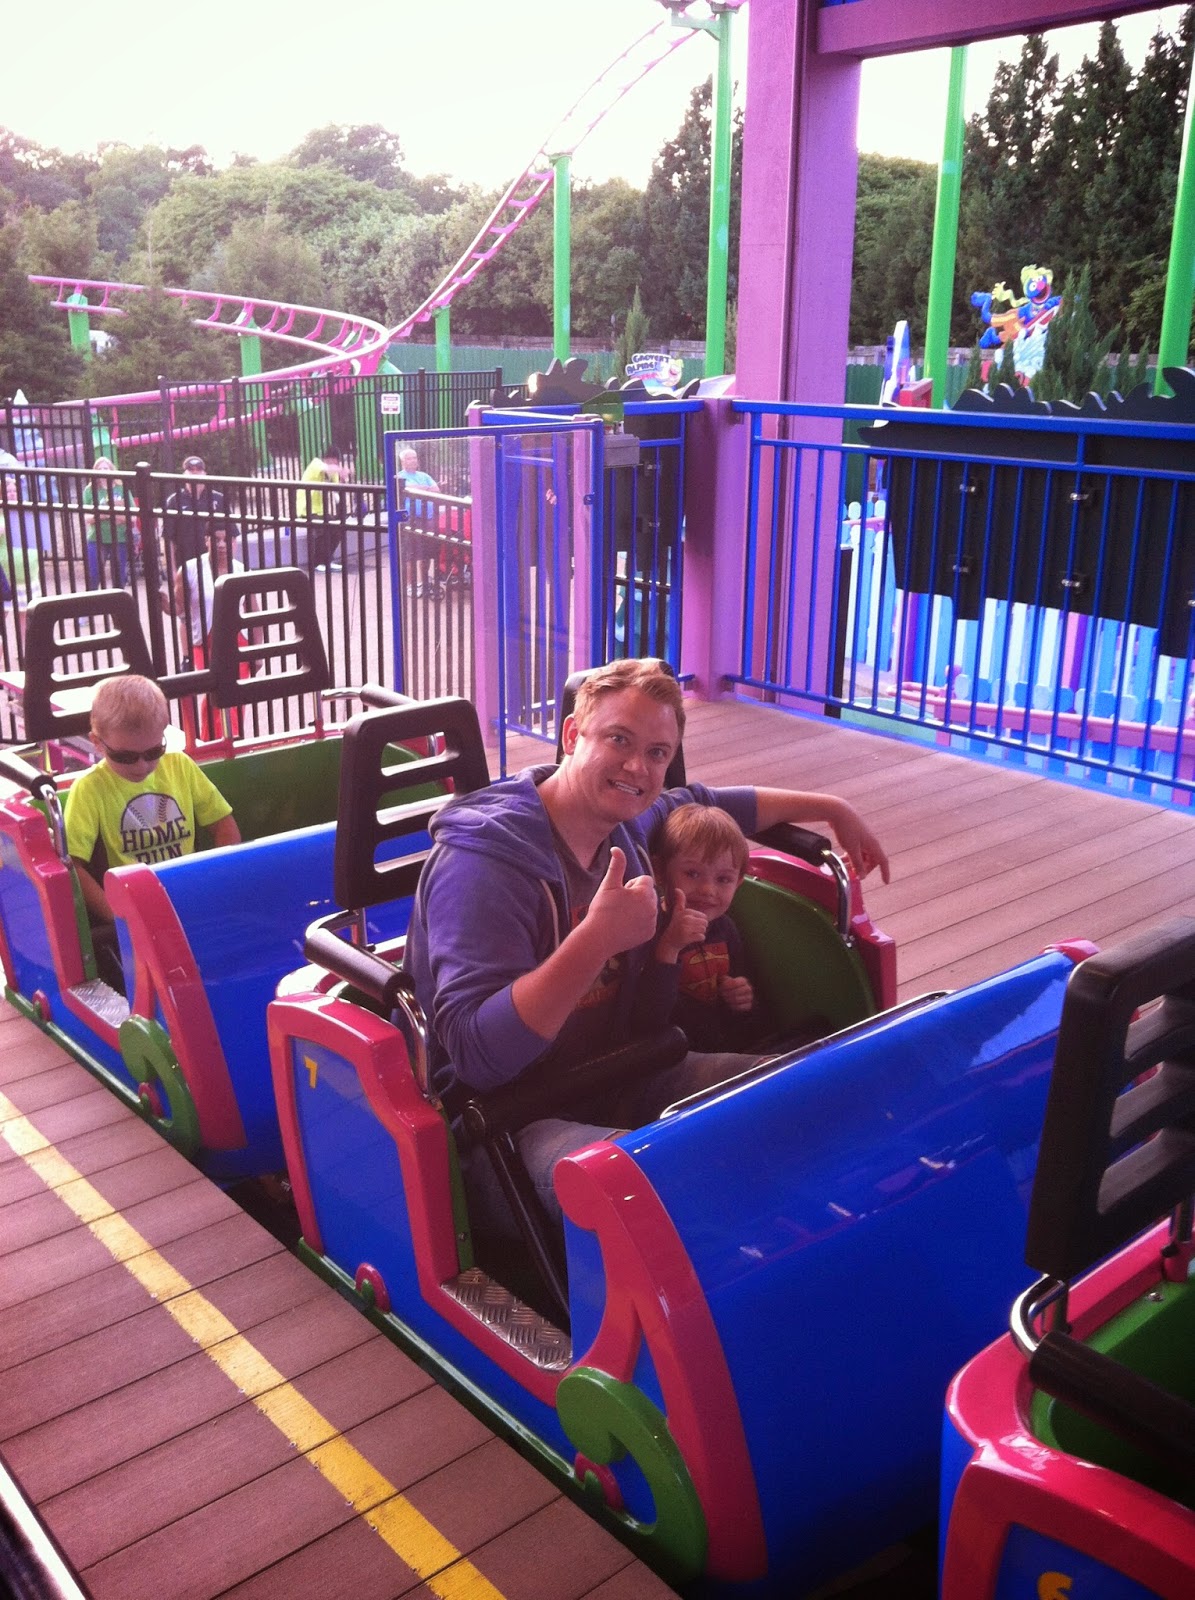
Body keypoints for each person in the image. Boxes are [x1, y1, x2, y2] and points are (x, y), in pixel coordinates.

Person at [406, 657, 889, 1222]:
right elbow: (478, 1059)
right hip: (503, 1125)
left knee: (813, 1090)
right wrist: (595, 940)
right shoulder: (482, 866)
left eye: (658, 753)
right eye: (619, 739)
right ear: (572, 735)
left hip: (619, 1072)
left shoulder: (627, 821)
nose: (638, 767)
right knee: (673, 1193)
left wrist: (833, 808)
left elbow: (713, 803)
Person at [64, 675, 241, 987]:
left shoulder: (179, 766)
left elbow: (223, 824)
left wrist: (215, 879)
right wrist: (116, 914)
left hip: (187, 894)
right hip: (132, 909)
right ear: (97, 742)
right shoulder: (90, 789)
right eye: (125, 756)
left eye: (153, 751)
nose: (141, 766)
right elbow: (73, 865)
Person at [643, 803, 768, 1052]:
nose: (708, 890)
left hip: (726, 1047)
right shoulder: (647, 929)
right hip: (672, 1055)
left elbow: (745, 1005)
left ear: (737, 883)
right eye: (692, 873)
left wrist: (741, 998)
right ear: (660, 871)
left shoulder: (726, 929)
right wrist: (670, 946)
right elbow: (647, 1018)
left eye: (723, 879)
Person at [163, 524, 254, 741]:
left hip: (238, 641)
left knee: (235, 694)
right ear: (206, 541)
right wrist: (165, 605)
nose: (222, 545)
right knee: (215, 692)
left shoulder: (241, 570)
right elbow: (180, 609)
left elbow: (253, 611)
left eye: (227, 539)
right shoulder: (189, 569)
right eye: (216, 539)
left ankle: (230, 740)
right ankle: (217, 741)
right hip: (205, 641)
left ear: (235, 542)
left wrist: (257, 651)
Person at [160, 456, 228, 583]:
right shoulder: (174, 501)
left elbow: (231, 535)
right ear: (184, 474)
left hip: (213, 563)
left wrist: (228, 565)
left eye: (199, 469)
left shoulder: (219, 499)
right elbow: (168, 540)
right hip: (185, 563)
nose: (195, 473)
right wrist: (172, 570)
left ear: (205, 473)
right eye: (191, 470)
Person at [81, 457, 137, 588]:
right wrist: (108, 514)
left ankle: (117, 600)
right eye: (99, 468)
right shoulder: (89, 490)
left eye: (105, 468)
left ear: (111, 470)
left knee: (118, 577)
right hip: (96, 538)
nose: (102, 471)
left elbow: (133, 517)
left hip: (119, 537)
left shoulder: (122, 489)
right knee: (93, 575)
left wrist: (107, 515)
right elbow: (87, 518)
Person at [297, 446, 348, 572]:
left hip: (320, 510)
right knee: (322, 530)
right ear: (327, 459)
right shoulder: (316, 464)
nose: (335, 465)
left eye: (337, 463)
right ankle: (316, 563)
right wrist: (340, 470)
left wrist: (342, 480)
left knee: (338, 528)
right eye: (334, 462)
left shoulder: (333, 473)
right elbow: (327, 468)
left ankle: (327, 560)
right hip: (306, 508)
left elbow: (337, 491)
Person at [398, 447, 440, 599]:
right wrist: (426, 489)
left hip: (428, 518)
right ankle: (410, 585)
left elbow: (437, 490)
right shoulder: (400, 477)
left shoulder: (424, 475)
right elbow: (407, 488)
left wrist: (422, 489)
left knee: (426, 553)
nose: (413, 460)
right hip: (411, 519)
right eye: (409, 458)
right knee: (411, 553)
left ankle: (423, 583)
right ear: (402, 462)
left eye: (414, 457)